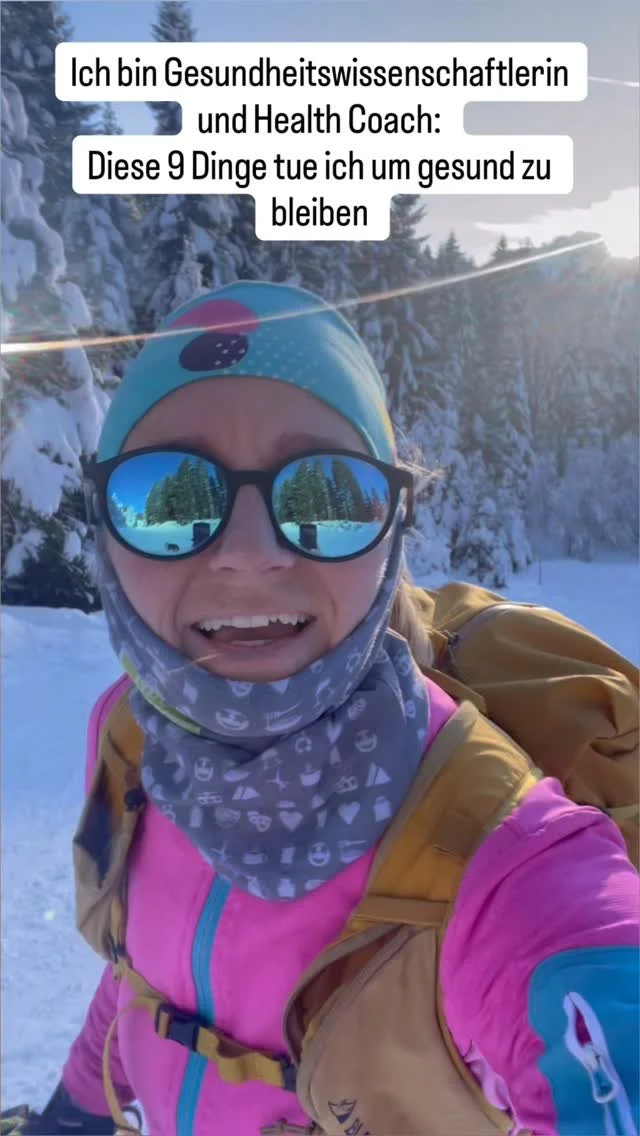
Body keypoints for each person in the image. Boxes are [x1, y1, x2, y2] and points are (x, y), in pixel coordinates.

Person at [11, 282, 638, 1136]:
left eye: (326, 495)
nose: (249, 554)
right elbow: (143, 974)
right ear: (103, 528)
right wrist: (78, 1108)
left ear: (392, 530)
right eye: (168, 497)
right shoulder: (129, 733)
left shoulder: (504, 856)